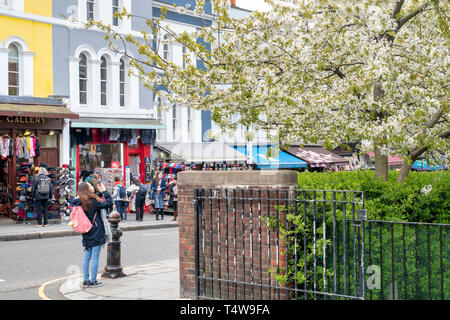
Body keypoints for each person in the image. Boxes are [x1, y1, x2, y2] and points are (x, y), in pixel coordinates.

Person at [72, 182, 112, 288]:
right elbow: (109, 203)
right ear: (86, 189)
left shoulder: (79, 202)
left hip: (86, 231)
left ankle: (86, 280)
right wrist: (104, 191)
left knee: (87, 257)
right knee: (95, 257)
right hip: (96, 231)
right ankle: (93, 281)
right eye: (90, 186)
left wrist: (99, 193)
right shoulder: (93, 202)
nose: (92, 187)